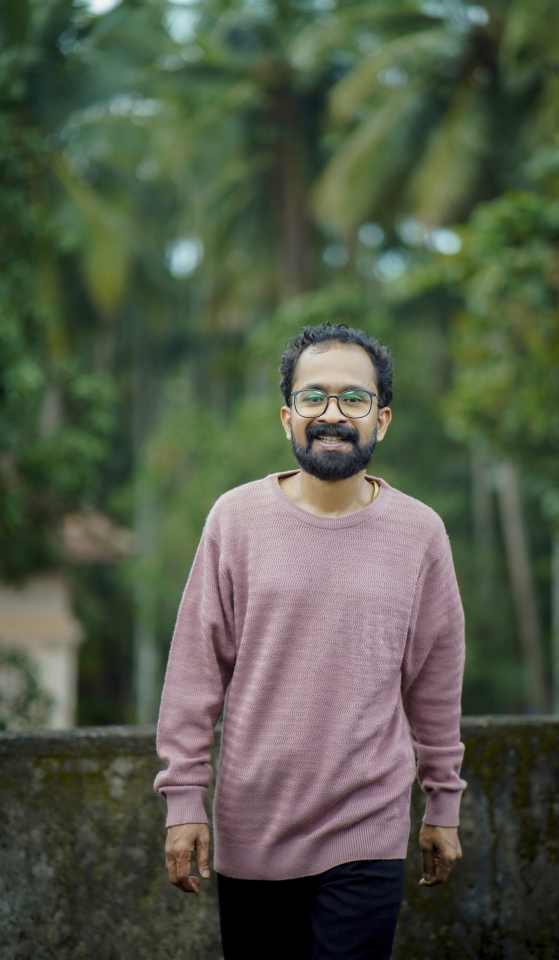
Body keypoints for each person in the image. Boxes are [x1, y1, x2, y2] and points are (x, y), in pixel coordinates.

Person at [154, 322, 466, 960]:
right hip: (253, 824)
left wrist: (443, 801)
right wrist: (184, 798)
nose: (332, 415)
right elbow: (194, 671)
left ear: (381, 420)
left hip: (367, 825)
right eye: (313, 397)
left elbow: (435, 683)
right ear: (287, 417)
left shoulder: (420, 534)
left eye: (353, 398)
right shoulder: (235, 520)